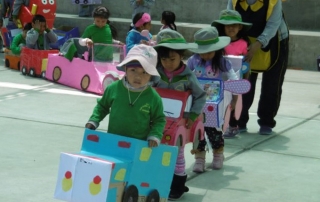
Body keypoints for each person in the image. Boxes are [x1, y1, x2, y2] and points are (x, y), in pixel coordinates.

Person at [153, 29, 206, 200]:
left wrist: (192, 116)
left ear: (181, 56)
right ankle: (159, 182)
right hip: (156, 120)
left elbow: (200, 96)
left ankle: (178, 185)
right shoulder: (155, 73)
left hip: (179, 123)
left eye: (172, 59)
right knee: (156, 151)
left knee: (177, 153)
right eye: (164, 59)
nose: (168, 63)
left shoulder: (188, 76)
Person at [227, 0, 289, 135]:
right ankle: (239, 120)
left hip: (275, 41)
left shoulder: (274, 1)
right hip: (244, 42)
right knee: (243, 83)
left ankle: (267, 121)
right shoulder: (234, 1)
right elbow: (228, 19)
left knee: (272, 85)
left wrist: (258, 44)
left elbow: (273, 25)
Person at [85, 44, 165, 148]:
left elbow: (159, 119)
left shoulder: (154, 97)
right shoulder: (113, 88)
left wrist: (155, 135)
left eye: (144, 72)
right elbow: (102, 106)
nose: (138, 76)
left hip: (138, 146)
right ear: (125, 68)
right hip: (113, 141)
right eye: (133, 70)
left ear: (151, 75)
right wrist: (94, 120)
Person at [187, 26, 238, 172]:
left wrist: (234, 99)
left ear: (216, 49)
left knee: (214, 131)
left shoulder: (222, 62)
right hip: (197, 101)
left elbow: (233, 79)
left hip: (215, 102)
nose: (205, 55)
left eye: (209, 52)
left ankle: (218, 154)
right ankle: (199, 158)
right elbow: (185, 76)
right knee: (197, 131)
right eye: (202, 52)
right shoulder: (193, 60)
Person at [212, 9, 252, 138]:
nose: (231, 28)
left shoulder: (244, 43)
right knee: (220, 102)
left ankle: (233, 126)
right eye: (228, 25)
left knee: (234, 103)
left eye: (234, 25)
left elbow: (246, 64)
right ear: (222, 27)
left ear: (240, 27)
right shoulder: (217, 42)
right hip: (219, 79)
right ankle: (218, 124)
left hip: (236, 79)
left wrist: (246, 78)